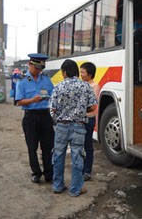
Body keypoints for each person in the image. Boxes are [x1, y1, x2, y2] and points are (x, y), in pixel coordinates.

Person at [50, 59, 97, 197]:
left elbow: (52, 109)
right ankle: (76, 189)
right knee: (77, 157)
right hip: (79, 127)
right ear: (76, 72)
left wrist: (59, 118)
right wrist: (80, 110)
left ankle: (58, 186)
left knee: (58, 155)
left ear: (64, 72)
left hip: (61, 126)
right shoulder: (86, 86)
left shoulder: (58, 86)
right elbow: (92, 107)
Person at [15, 53, 54, 184]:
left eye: (41, 68)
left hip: (45, 115)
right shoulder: (22, 82)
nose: (39, 70)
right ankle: (36, 173)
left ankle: (49, 173)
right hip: (30, 117)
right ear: (30, 64)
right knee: (32, 147)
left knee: (48, 146)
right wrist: (32, 100)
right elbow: (19, 101)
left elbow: (53, 95)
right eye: (37, 67)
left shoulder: (47, 80)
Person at [80, 62, 100, 181]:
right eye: (80, 72)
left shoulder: (94, 86)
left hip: (88, 119)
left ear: (90, 74)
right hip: (80, 118)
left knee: (87, 145)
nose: (81, 75)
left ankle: (87, 171)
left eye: (83, 72)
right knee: (79, 145)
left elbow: (92, 104)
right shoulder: (81, 84)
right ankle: (81, 169)